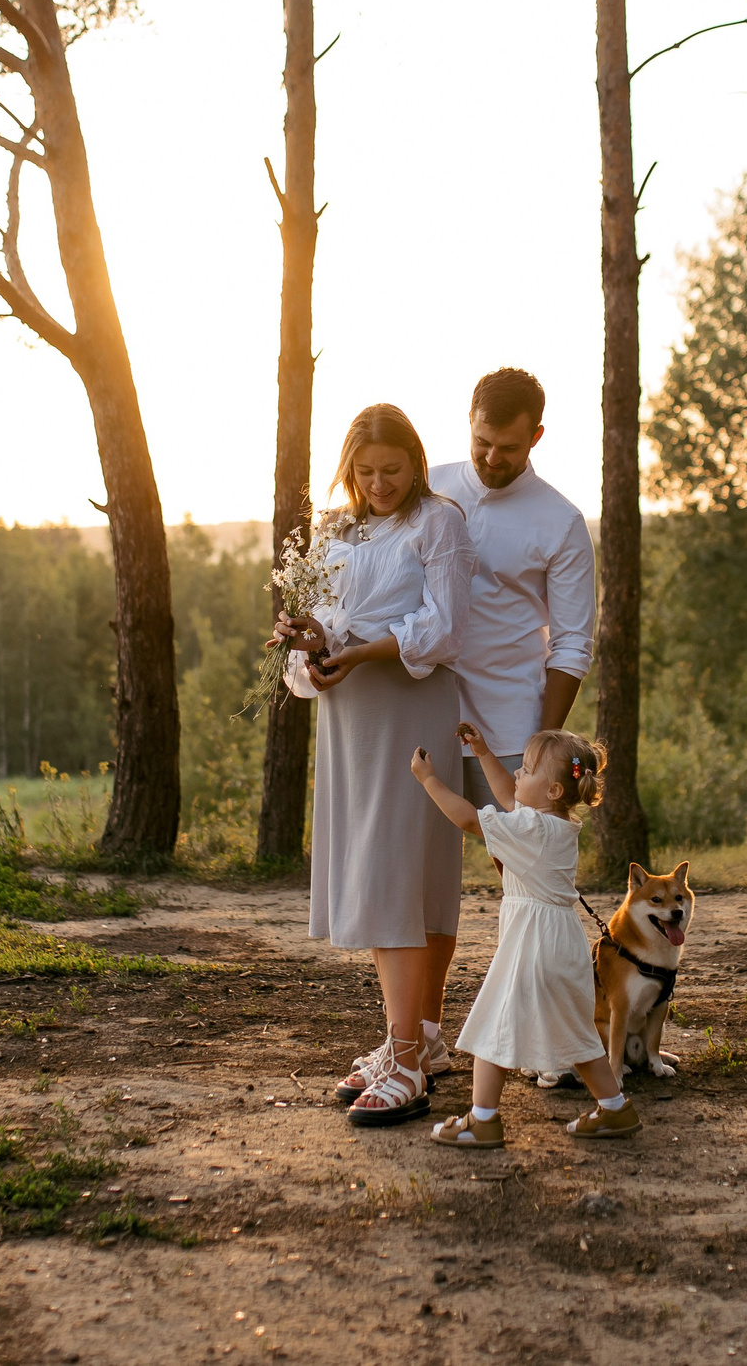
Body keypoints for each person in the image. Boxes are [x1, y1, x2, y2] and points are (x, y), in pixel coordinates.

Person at [278, 405, 475, 1127]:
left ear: (416, 463)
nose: (380, 483)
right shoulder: (336, 529)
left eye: (392, 469)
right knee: (373, 870)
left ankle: (407, 1061)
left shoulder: (439, 522)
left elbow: (445, 626)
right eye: (365, 472)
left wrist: (362, 651)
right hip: (350, 717)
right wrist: (313, 650)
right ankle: (412, 1040)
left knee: (400, 875)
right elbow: (329, 622)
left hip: (409, 706)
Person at [408, 724, 642, 1145]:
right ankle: (614, 1108)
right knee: (576, 1033)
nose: (518, 773)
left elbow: (469, 818)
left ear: (553, 790)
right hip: (561, 944)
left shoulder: (531, 829)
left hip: (532, 945)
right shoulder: (556, 823)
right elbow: (508, 796)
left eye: (528, 769)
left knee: (494, 1026)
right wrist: (483, 753)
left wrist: (429, 780)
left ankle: (483, 1120)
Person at [427, 369, 596, 807]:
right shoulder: (425, 486)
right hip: (420, 713)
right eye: (482, 442)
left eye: (509, 448)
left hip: (510, 728)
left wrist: (543, 744)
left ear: (536, 436)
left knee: (516, 845)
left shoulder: (562, 522)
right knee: (413, 841)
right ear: (469, 419)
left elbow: (572, 644)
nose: (492, 458)